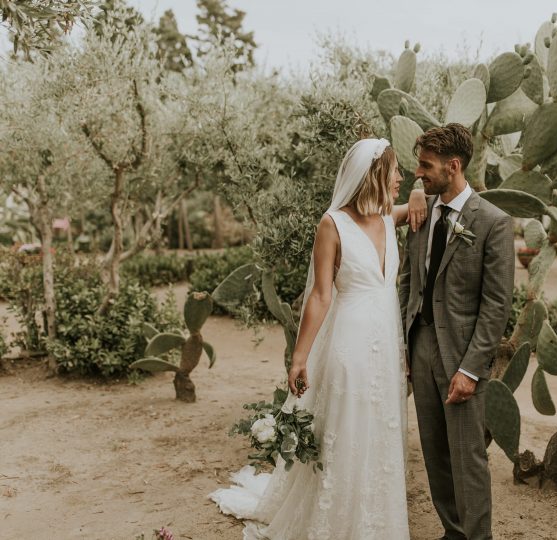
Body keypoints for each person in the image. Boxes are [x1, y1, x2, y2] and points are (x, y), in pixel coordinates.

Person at [210, 138, 427, 540]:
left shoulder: (385, 218)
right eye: (396, 171)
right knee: (347, 428)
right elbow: (321, 295)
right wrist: (299, 358)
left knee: (382, 425)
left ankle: (376, 518)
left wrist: (417, 192)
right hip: (350, 342)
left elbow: (418, 206)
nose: (401, 177)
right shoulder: (333, 224)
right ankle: (339, 521)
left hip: (386, 343)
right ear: (374, 176)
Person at [399, 123, 515, 540]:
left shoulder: (494, 222)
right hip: (421, 345)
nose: (418, 173)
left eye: (426, 166)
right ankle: (453, 532)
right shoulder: (420, 212)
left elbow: (496, 305)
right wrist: (405, 347)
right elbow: (408, 282)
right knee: (435, 453)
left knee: (467, 457)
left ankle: (476, 537)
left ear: (453, 166)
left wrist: (471, 368)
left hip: (462, 354)